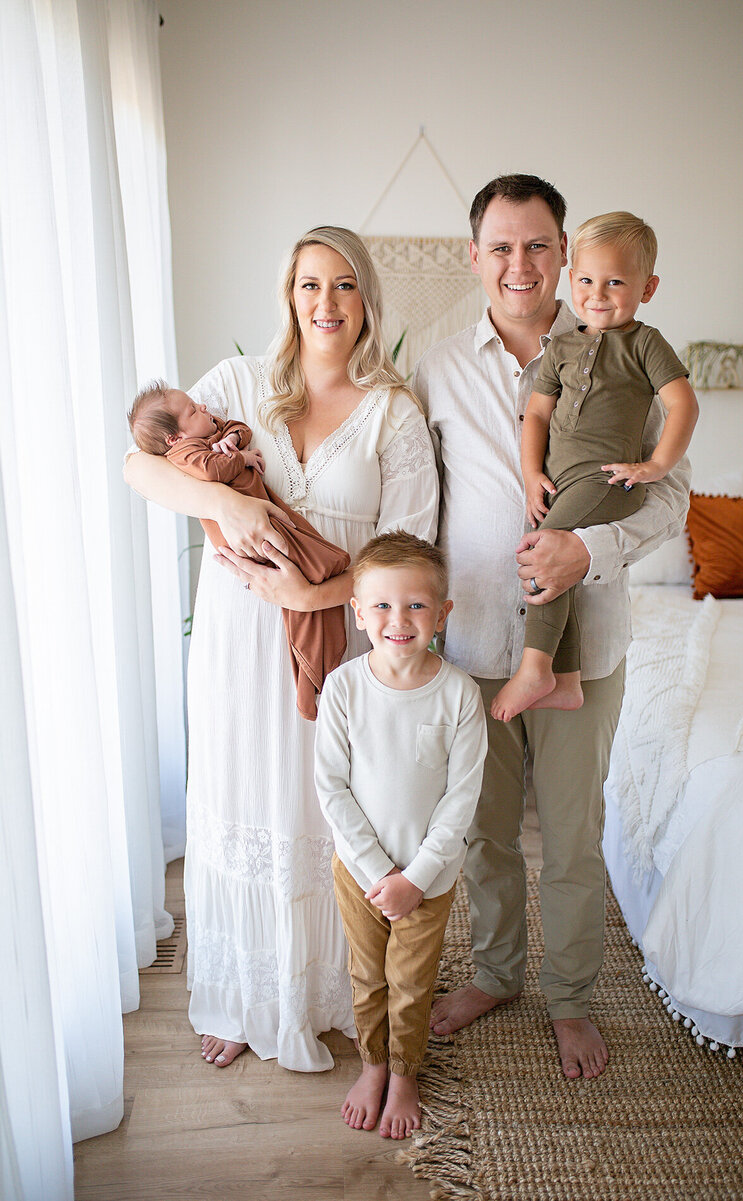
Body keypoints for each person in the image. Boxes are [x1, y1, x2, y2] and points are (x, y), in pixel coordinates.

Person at [124, 226, 439, 1072]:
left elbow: (409, 554)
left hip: (337, 641)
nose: (325, 303)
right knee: (242, 801)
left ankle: (331, 988)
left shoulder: (393, 413)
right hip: (234, 642)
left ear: (366, 298)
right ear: (288, 295)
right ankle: (239, 990)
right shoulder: (235, 386)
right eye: (308, 285)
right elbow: (139, 466)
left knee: (323, 806)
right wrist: (227, 511)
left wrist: (309, 594)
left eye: (342, 285)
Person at [412, 175, 690, 1080]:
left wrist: (591, 553)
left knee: (573, 833)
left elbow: (672, 496)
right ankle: (495, 971)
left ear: (564, 256)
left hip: (589, 639)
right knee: (486, 831)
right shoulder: (439, 369)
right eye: (502, 246)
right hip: (472, 641)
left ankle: (571, 995)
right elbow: (419, 505)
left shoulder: (629, 353)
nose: (520, 264)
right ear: (475, 256)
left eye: (538, 246)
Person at [492, 212, 699, 720]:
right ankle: (565, 678)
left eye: (615, 282)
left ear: (647, 288)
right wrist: (530, 473)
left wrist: (655, 464)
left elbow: (684, 405)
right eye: (586, 280)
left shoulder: (646, 343)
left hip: (608, 480)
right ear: (571, 278)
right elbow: (536, 413)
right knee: (555, 567)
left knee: (541, 553)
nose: (598, 294)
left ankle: (537, 668)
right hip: (560, 483)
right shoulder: (560, 347)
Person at [315, 532, 487, 1139]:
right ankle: (372, 1064)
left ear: (442, 614)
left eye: (416, 605)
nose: (399, 619)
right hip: (359, 872)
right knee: (368, 975)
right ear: (358, 612)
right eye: (382, 605)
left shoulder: (461, 695)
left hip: (428, 878)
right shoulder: (343, 688)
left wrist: (413, 878)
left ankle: (406, 1072)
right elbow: (332, 788)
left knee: (412, 982)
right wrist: (377, 872)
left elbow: (460, 801)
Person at [127, 383, 350, 719]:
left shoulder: (206, 435)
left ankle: (316, 675)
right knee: (313, 584)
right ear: (174, 439)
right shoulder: (184, 454)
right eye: (192, 410)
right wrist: (241, 457)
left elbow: (239, 429)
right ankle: (311, 683)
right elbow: (212, 469)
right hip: (251, 542)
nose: (203, 407)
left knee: (313, 600)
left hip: (266, 520)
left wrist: (231, 439)